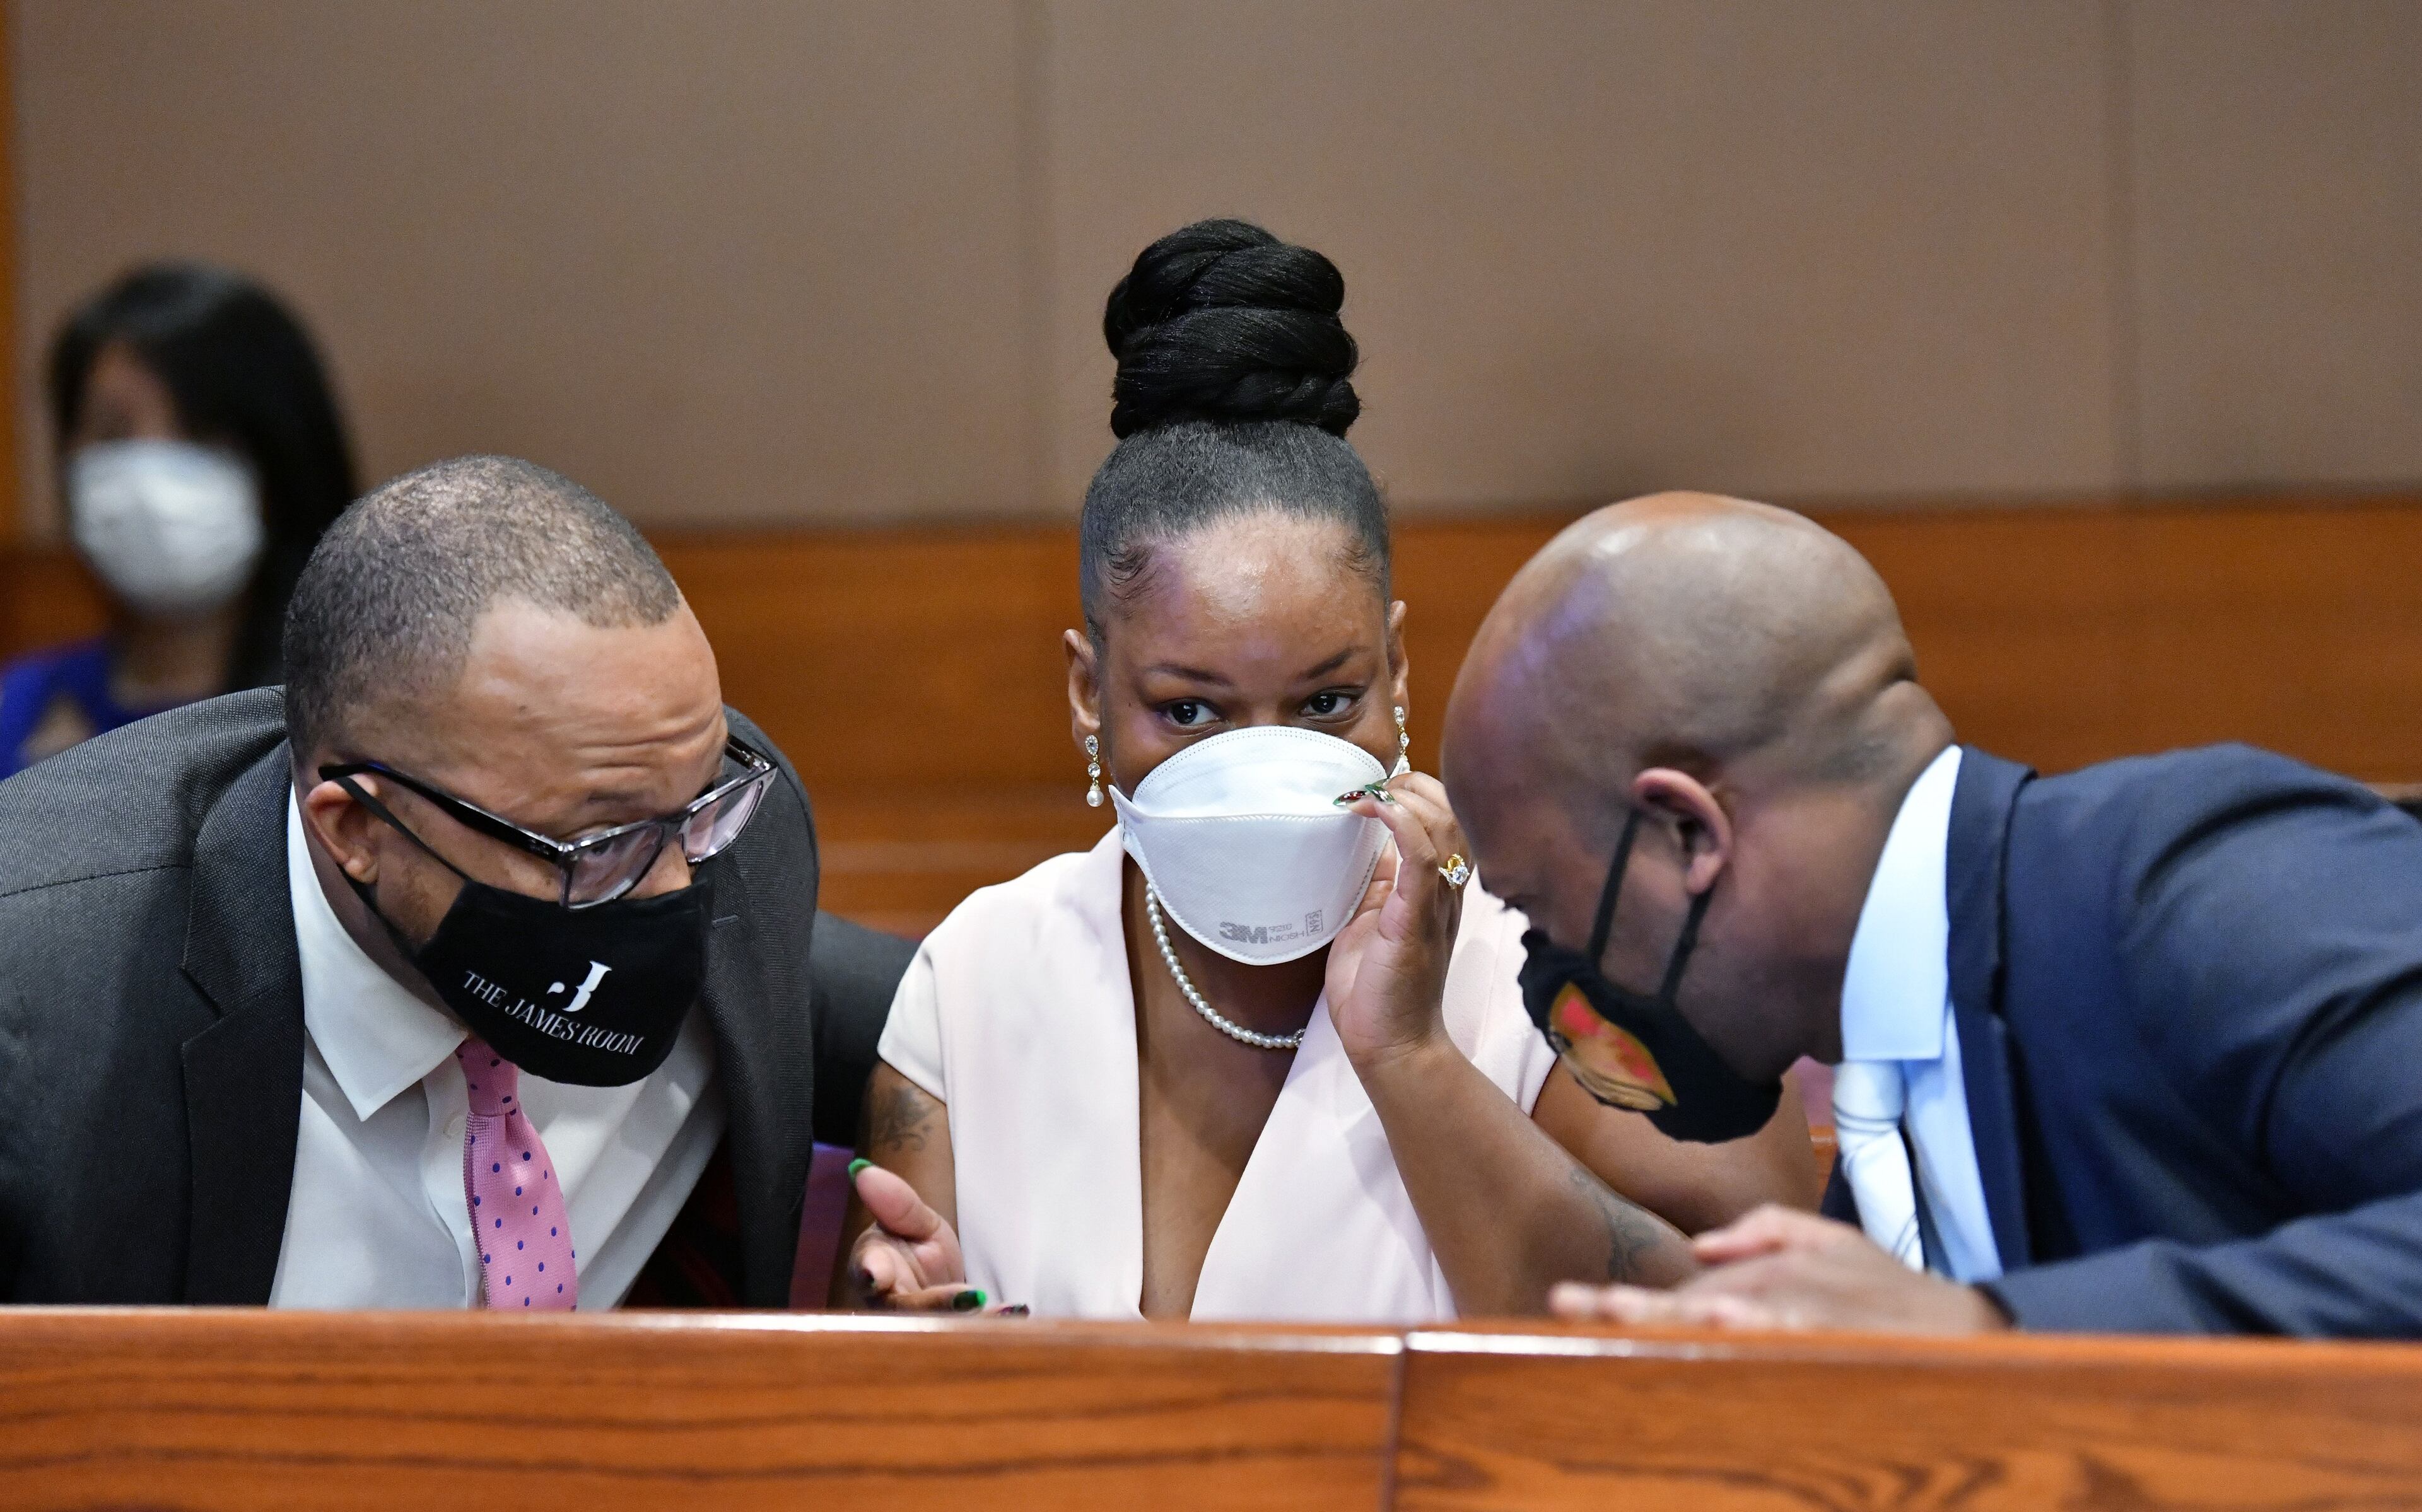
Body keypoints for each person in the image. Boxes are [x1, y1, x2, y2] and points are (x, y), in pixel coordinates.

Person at [837, 223, 1815, 1323]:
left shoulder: (1569, 969)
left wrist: (1412, 1058)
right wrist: (907, 1325)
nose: (1261, 767)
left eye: (1326, 701)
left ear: (1398, 668)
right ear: (1086, 694)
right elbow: (892, 1344)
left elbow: (1746, 1336)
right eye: (1191, 710)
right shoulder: (978, 976)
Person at [1442, 491, 2422, 1335]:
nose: (1548, 967)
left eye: (1541, 909)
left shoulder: (2194, 878)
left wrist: (1990, 1326)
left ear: (1688, 835)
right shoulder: (1895, 1074)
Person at [0, 455, 907, 1308]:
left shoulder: (725, 831)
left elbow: (948, 1011)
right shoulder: (45, 1000)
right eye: (595, 844)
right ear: (357, 827)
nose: (674, 886)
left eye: (699, 804)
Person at [1, 264, 356, 778]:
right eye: (112, 432)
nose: (151, 478)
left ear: (283, 460)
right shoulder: (17, 706)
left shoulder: (351, 725)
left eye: (200, 434)